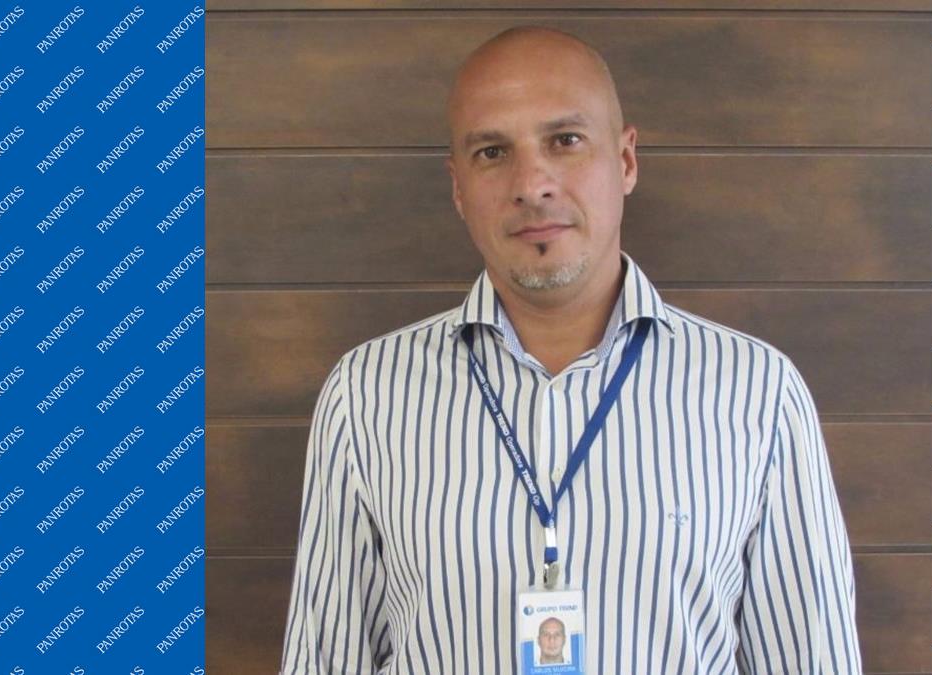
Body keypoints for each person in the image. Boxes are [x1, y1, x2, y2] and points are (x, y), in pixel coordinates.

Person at [280, 25, 862, 674]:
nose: (532, 183)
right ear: (458, 187)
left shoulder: (758, 393)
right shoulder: (365, 397)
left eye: (565, 140)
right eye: (492, 152)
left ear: (626, 161)